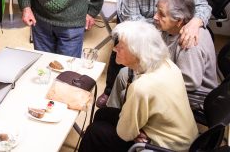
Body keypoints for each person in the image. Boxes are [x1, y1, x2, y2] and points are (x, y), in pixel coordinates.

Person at [96, 0, 212, 108]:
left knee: (147, 68)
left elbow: (203, 6)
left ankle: (131, 93)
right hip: (148, 25)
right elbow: (134, 21)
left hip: (168, 26)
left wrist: (195, 21)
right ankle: (110, 90)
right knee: (122, 44)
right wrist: (162, 25)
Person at [79, 21, 198, 152]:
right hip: (184, 137)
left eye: (121, 46)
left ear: (137, 53)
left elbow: (124, 134)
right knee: (102, 113)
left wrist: (134, 133)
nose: (114, 48)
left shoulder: (141, 87)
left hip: (166, 147)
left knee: (94, 132)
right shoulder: (167, 64)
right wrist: (135, 130)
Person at [107, 0, 218, 111]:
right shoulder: (169, 29)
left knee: (132, 91)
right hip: (169, 77)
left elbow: (190, 82)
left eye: (161, 14)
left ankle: (123, 118)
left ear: (179, 20)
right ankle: (112, 112)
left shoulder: (190, 40)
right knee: (124, 73)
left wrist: (148, 79)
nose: (155, 17)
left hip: (193, 96)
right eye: (157, 11)